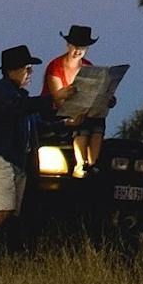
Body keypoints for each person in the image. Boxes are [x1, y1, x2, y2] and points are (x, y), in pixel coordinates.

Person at [0, 44, 46, 261]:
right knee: (0, 210)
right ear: (13, 70)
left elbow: (33, 115)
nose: (30, 73)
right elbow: (20, 108)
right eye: (27, 68)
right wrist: (55, 98)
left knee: (8, 212)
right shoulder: (1, 92)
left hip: (14, 162)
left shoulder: (16, 95)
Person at [44, 23, 111, 176]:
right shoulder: (55, 67)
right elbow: (58, 99)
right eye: (75, 46)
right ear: (68, 45)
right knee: (82, 120)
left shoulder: (88, 67)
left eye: (82, 47)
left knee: (98, 120)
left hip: (84, 109)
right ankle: (80, 164)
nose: (78, 51)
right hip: (57, 112)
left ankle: (92, 162)